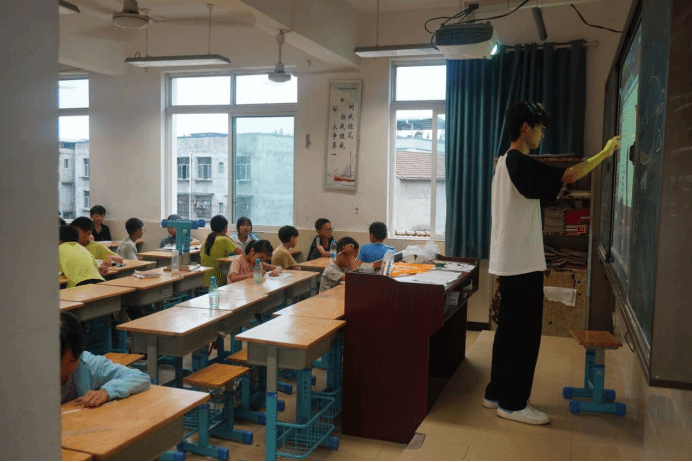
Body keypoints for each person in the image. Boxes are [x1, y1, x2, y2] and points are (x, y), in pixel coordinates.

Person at [485, 101, 622, 426]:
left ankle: (496, 393)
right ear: (526, 128)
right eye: (540, 128)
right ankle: (513, 403)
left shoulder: (503, 163)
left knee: (508, 331)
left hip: (508, 261)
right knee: (525, 335)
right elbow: (570, 174)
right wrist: (605, 153)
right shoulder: (519, 161)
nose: (543, 134)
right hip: (521, 263)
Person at [60, 311, 150, 407]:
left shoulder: (86, 363)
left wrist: (106, 391)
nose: (73, 363)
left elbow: (140, 377)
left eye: (74, 359)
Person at [200, 215, 242, 287]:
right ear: (225, 228)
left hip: (203, 282)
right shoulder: (224, 240)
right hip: (217, 283)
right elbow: (241, 252)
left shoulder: (205, 241)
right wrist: (228, 237)